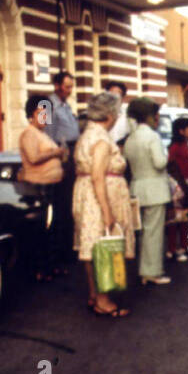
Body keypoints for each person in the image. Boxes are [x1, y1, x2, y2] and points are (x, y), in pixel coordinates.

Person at [72, 91, 137, 317]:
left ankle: (94, 294)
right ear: (109, 114)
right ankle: (103, 300)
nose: (118, 117)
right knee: (104, 246)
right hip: (99, 197)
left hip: (87, 194)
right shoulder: (100, 139)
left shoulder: (87, 134)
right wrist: (107, 211)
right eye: (117, 112)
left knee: (92, 247)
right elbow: (98, 176)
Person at [18, 93, 68, 282]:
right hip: (38, 187)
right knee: (41, 229)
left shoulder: (43, 134)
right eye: (41, 112)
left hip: (51, 186)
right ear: (31, 114)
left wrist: (60, 155)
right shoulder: (29, 133)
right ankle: (40, 269)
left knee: (52, 227)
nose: (45, 117)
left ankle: (51, 265)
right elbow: (33, 158)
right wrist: (55, 152)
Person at [123, 96, 172, 285]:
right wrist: (167, 155)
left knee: (143, 233)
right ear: (149, 116)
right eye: (155, 115)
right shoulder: (153, 136)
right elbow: (160, 163)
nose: (157, 118)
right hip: (155, 190)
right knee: (154, 233)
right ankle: (151, 272)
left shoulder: (131, 138)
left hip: (137, 188)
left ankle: (145, 270)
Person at [46, 71, 80, 272]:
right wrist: (57, 160)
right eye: (67, 86)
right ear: (57, 85)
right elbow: (44, 135)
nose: (70, 90)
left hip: (71, 158)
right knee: (61, 207)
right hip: (60, 159)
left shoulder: (66, 105)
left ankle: (68, 250)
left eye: (71, 87)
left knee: (69, 207)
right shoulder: (45, 105)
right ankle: (59, 254)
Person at [165, 115, 188, 263]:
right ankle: (173, 249)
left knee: (184, 217)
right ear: (181, 131)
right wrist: (178, 186)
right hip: (177, 184)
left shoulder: (185, 144)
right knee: (176, 218)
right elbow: (170, 167)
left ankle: (184, 246)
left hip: (184, 182)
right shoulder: (175, 147)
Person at [106, 81, 133, 146]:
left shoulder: (128, 116)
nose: (113, 98)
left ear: (123, 98)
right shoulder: (100, 116)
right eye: (110, 95)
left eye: (117, 95)